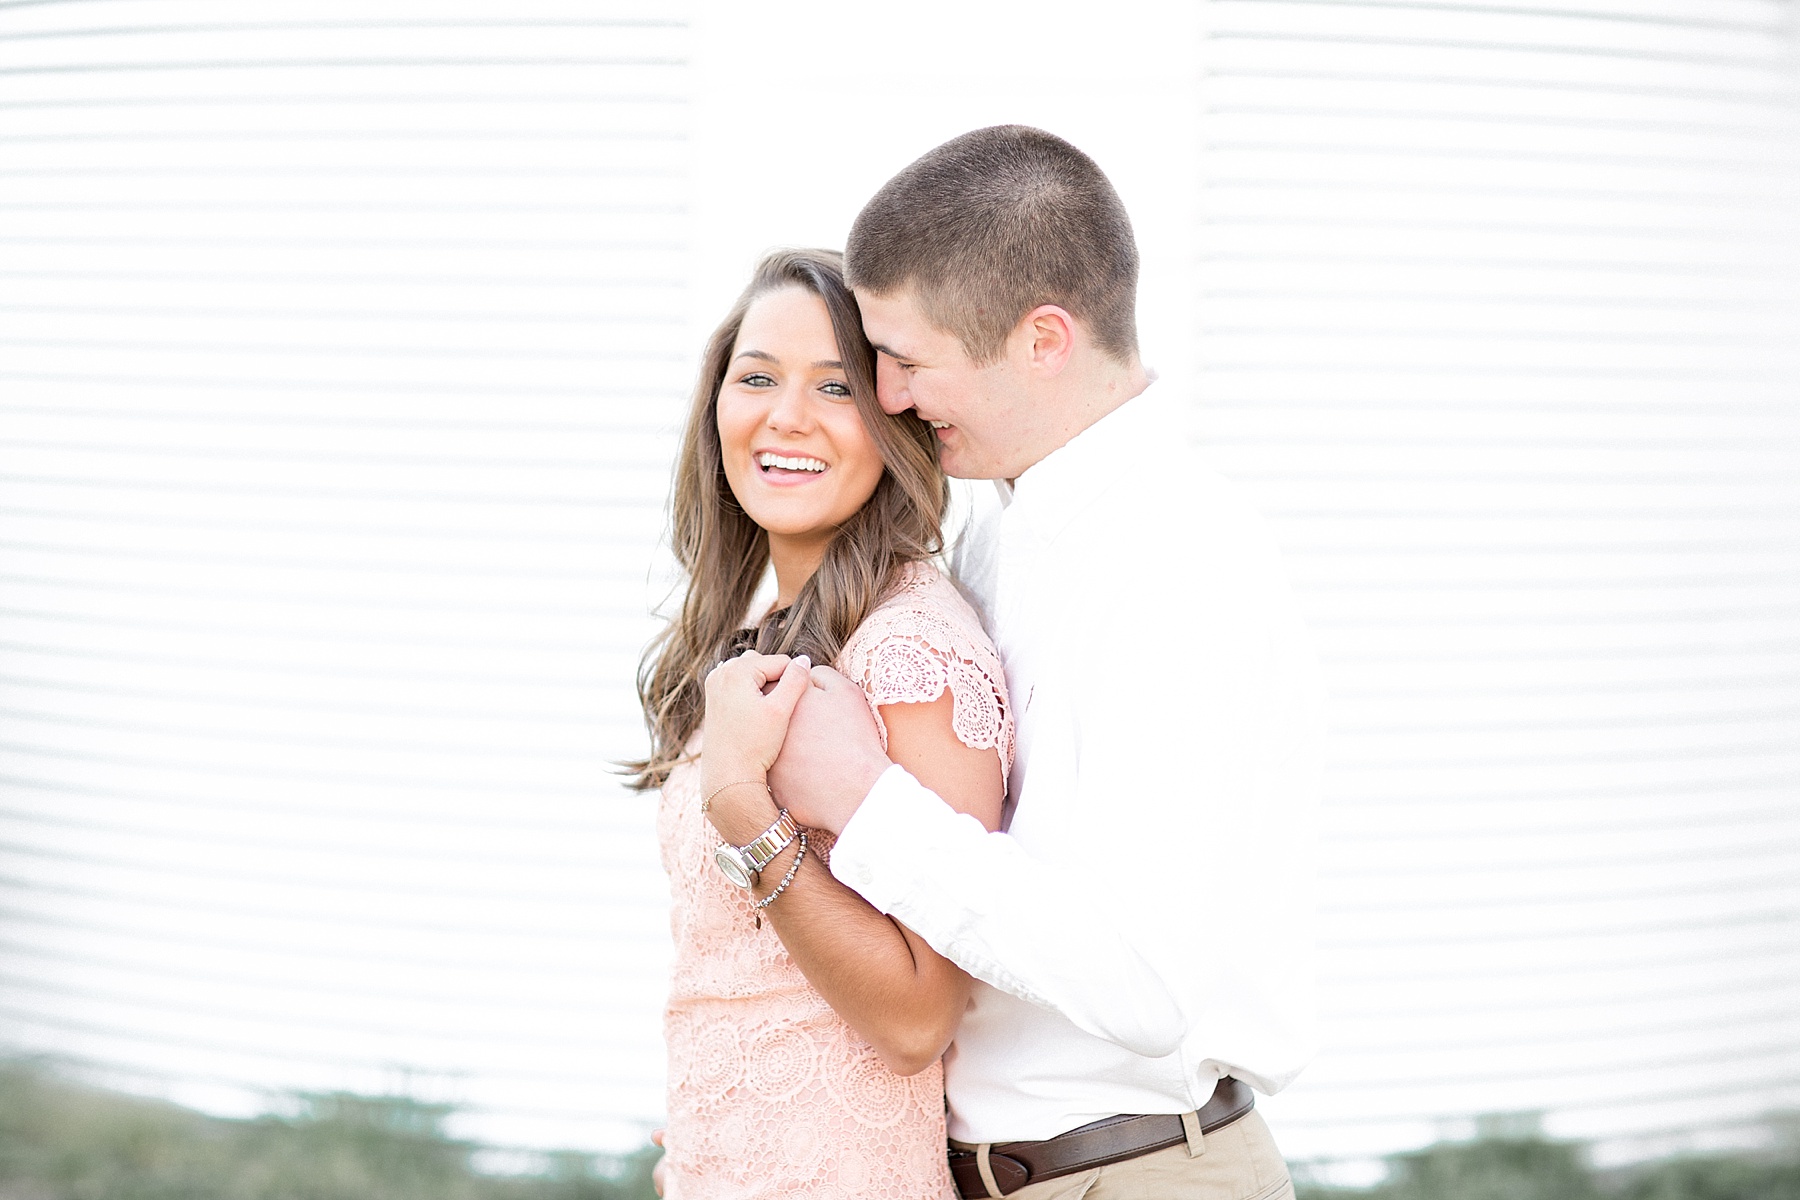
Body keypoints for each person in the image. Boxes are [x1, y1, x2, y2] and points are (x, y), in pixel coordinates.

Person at [709, 127, 1324, 1200]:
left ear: (1044, 339)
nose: (890, 395)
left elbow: (1143, 982)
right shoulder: (1000, 529)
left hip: (1141, 1176)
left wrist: (862, 800)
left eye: (905, 359)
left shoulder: (1184, 565)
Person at [628, 247, 1014, 1199]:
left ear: (896, 424)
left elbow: (921, 1015)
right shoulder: (760, 637)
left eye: (836, 387)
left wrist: (740, 810)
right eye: (756, 377)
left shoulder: (912, 652)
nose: (784, 415)